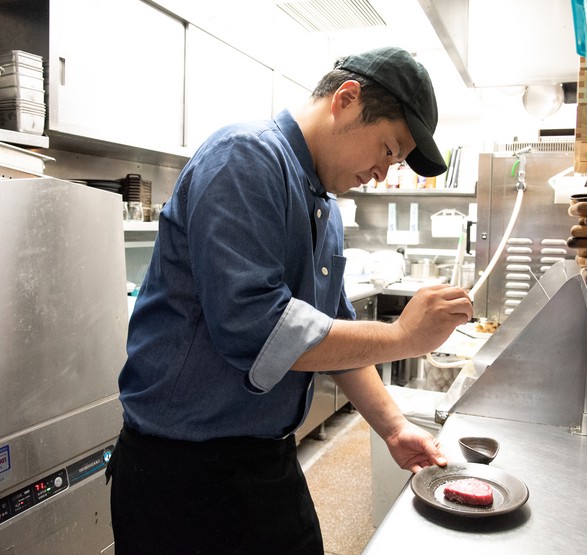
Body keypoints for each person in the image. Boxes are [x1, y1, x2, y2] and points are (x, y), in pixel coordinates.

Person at [106, 46, 473, 554]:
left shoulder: (326, 208)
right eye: (388, 150)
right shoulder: (245, 156)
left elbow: (336, 331)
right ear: (346, 99)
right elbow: (255, 330)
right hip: (182, 471)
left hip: (267, 459)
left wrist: (393, 428)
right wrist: (402, 336)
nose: (383, 173)